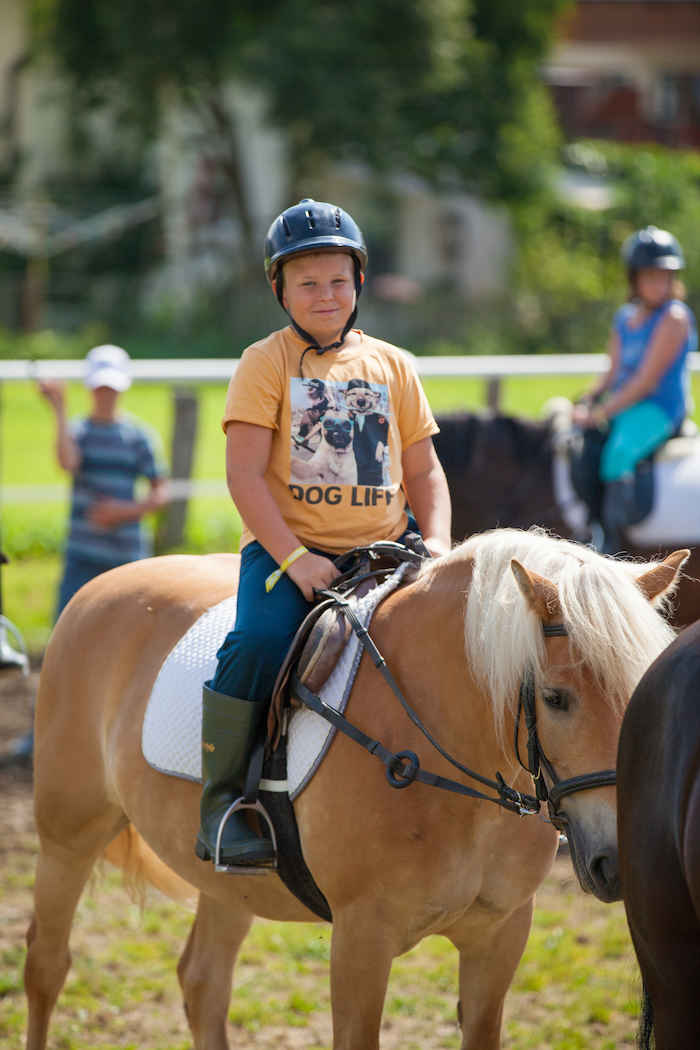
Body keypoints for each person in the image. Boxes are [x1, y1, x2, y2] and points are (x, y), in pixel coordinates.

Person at [196, 198, 452, 869]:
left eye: (338, 280)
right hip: (291, 558)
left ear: (360, 283)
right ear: (279, 288)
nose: (325, 294)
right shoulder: (266, 363)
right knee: (256, 643)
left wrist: (443, 545)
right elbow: (245, 476)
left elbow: (426, 471)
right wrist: (297, 558)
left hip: (388, 555)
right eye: (307, 282)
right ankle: (226, 802)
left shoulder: (395, 366)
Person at [572, 226, 697, 554]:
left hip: (660, 408)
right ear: (635, 279)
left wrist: (601, 413)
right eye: (650, 275)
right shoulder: (624, 318)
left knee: (619, 452)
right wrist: (588, 398)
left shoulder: (675, 317)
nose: (658, 282)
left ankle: (612, 542)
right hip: (628, 404)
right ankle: (591, 522)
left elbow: (646, 382)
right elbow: (612, 373)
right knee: (584, 444)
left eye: (664, 275)